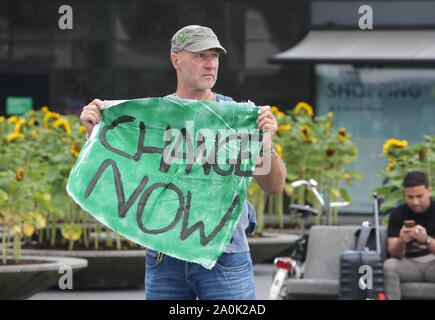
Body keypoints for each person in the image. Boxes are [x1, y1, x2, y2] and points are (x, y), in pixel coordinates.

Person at [79, 25, 287, 300]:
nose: (210, 64)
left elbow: (274, 187)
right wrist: (94, 130)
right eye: (200, 55)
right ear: (176, 60)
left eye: (214, 56)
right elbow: (110, 174)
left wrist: (265, 142)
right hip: (165, 256)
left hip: (224, 256)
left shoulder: (237, 118)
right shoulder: (153, 119)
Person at [383, 171, 435, 300]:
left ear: (429, 190)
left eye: (419, 196)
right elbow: (394, 254)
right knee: (389, 266)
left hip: (432, 263)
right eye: (410, 197)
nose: (415, 202)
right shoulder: (397, 214)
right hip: (409, 264)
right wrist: (402, 241)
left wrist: (427, 240)